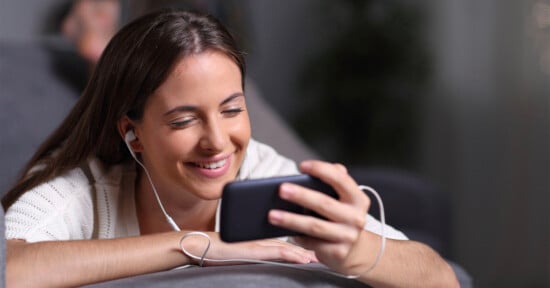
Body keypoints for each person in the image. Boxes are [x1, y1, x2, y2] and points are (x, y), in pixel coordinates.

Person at [2, 10, 459, 287]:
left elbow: (442, 280)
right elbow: (11, 270)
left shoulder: (263, 170)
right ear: (132, 133)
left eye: (232, 110)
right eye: (183, 120)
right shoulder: (83, 189)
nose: (218, 142)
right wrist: (197, 246)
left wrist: (356, 249)